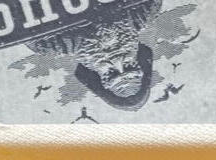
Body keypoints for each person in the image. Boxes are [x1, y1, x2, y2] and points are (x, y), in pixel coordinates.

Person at [26, 0, 162, 109]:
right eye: (128, 64)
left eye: (110, 73)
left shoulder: (48, 43)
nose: (117, 62)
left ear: (96, 74)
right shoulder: (145, 10)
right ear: (137, 60)